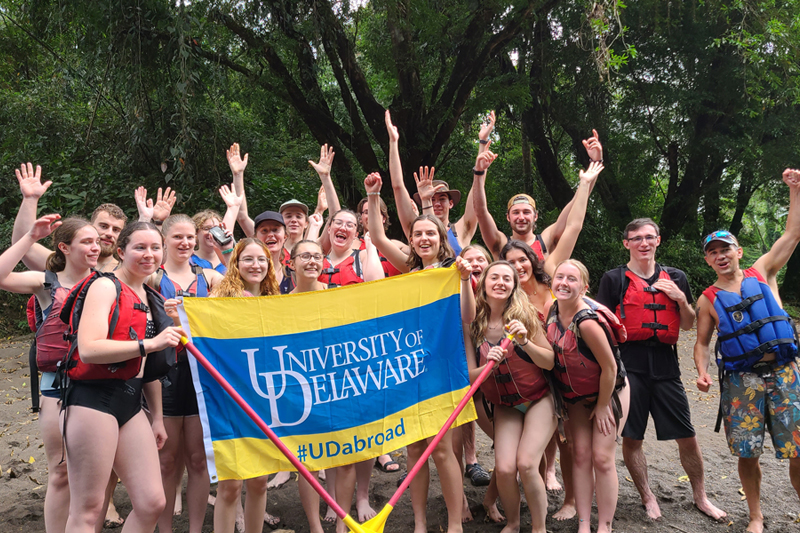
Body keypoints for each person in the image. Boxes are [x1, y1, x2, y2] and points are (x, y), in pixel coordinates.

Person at [595, 218, 726, 522]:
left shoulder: (676, 277)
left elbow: (690, 323)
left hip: (666, 365)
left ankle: (700, 496)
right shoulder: (613, 280)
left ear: (658, 240)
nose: (643, 243)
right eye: (636, 238)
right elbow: (601, 324)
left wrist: (681, 301)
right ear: (626, 243)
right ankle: (647, 496)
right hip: (629, 366)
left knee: (688, 435)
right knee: (633, 438)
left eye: (649, 237)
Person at [694, 168, 800, 533]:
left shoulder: (764, 272)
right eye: (713, 253)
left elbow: (793, 233)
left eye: (725, 249)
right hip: (742, 381)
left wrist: (794, 191)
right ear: (708, 261)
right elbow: (702, 342)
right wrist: (702, 372)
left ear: (738, 251)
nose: (720, 256)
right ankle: (755, 516)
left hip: (784, 373)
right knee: (747, 452)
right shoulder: (707, 300)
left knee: (798, 451)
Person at [500, 160, 604, 520]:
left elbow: (573, 225)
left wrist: (585, 185)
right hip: (536, 370)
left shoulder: (550, 275)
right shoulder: (507, 293)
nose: (518, 267)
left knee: (572, 439)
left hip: (568, 366)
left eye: (523, 260)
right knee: (542, 438)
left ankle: (573, 500)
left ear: (533, 257)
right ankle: (541, 479)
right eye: (510, 263)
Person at [62, 221, 183, 533]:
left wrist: (156, 417)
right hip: (92, 400)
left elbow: (147, 369)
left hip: (130, 402)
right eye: (139, 247)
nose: (149, 254)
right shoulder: (105, 286)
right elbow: (89, 348)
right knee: (88, 510)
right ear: (120, 251)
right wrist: (150, 343)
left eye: (155, 247)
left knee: (151, 501)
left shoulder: (149, 295)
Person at [0, 215, 100, 533]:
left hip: (101, 388)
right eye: (88, 241)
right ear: (64, 248)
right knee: (60, 473)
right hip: (57, 390)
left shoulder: (107, 280)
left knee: (95, 475)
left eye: (98, 241)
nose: (96, 246)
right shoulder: (46, 283)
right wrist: (30, 236)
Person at [463, 260, 556, 533]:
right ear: (483, 284)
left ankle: (539, 528)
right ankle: (514, 523)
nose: (500, 283)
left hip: (539, 399)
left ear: (514, 285)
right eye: (494, 278)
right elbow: (470, 375)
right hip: (506, 405)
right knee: (504, 469)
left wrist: (526, 342)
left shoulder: (524, 317)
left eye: (507, 278)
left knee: (526, 464)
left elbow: (549, 362)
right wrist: (486, 365)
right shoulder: (474, 325)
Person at [149, 214, 224, 533]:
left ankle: (195, 529)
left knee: (197, 461)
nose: (185, 243)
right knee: (166, 462)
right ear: (164, 239)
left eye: (190, 237)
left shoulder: (208, 277)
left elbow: (245, 295)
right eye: (177, 237)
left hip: (200, 375)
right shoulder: (151, 277)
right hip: (165, 375)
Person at [545, 260, 630, 533]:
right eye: (560, 277)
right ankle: (583, 522)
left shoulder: (587, 322)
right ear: (551, 282)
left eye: (572, 279)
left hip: (610, 392)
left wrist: (604, 406)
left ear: (584, 287)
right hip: (576, 397)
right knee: (580, 455)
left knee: (602, 458)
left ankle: (604, 525)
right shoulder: (552, 310)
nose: (564, 283)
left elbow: (610, 368)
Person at [207, 238, 281, 533]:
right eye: (248, 259)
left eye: (262, 259)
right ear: (235, 264)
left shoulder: (276, 299)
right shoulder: (220, 300)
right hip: (229, 399)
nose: (256, 265)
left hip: (265, 398)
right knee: (230, 485)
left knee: (260, 481)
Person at [473, 126, 603, 261]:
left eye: (526, 212)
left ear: (536, 216)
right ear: (508, 217)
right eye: (516, 212)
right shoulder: (500, 243)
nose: (521, 217)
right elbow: (480, 212)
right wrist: (478, 172)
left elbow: (578, 202)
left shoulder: (547, 240)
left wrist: (595, 162)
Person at [12, 163, 135, 273]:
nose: (109, 233)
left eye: (116, 230)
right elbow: (24, 247)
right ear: (90, 227)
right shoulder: (61, 263)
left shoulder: (128, 271)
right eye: (103, 226)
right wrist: (30, 199)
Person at [385, 110, 478, 254]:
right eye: (432, 199)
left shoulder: (461, 230)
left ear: (451, 203)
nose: (437, 204)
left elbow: (477, 197)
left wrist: (480, 167)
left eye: (442, 199)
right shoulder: (415, 228)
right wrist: (393, 141)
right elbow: (397, 187)